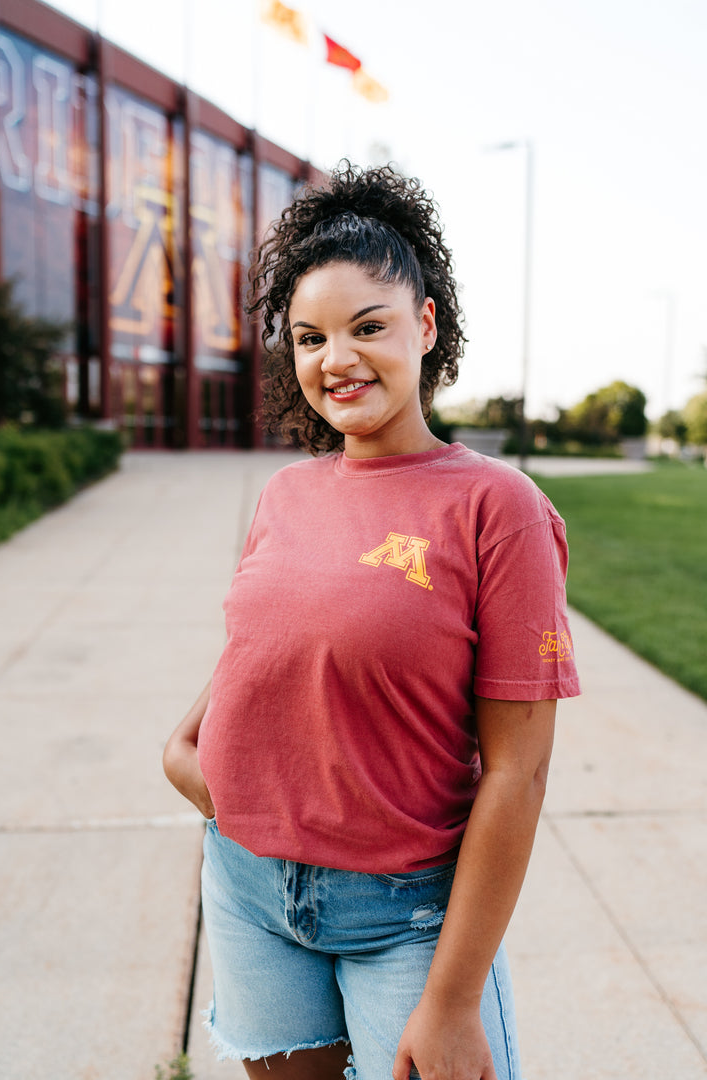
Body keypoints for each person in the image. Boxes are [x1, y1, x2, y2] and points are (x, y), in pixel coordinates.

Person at [163, 162, 580, 1080]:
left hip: (406, 914)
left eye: (368, 327)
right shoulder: (285, 492)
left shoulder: (496, 506)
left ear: (425, 327)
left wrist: (455, 999)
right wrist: (186, 750)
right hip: (248, 891)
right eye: (310, 337)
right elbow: (264, 645)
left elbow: (520, 770)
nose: (336, 359)